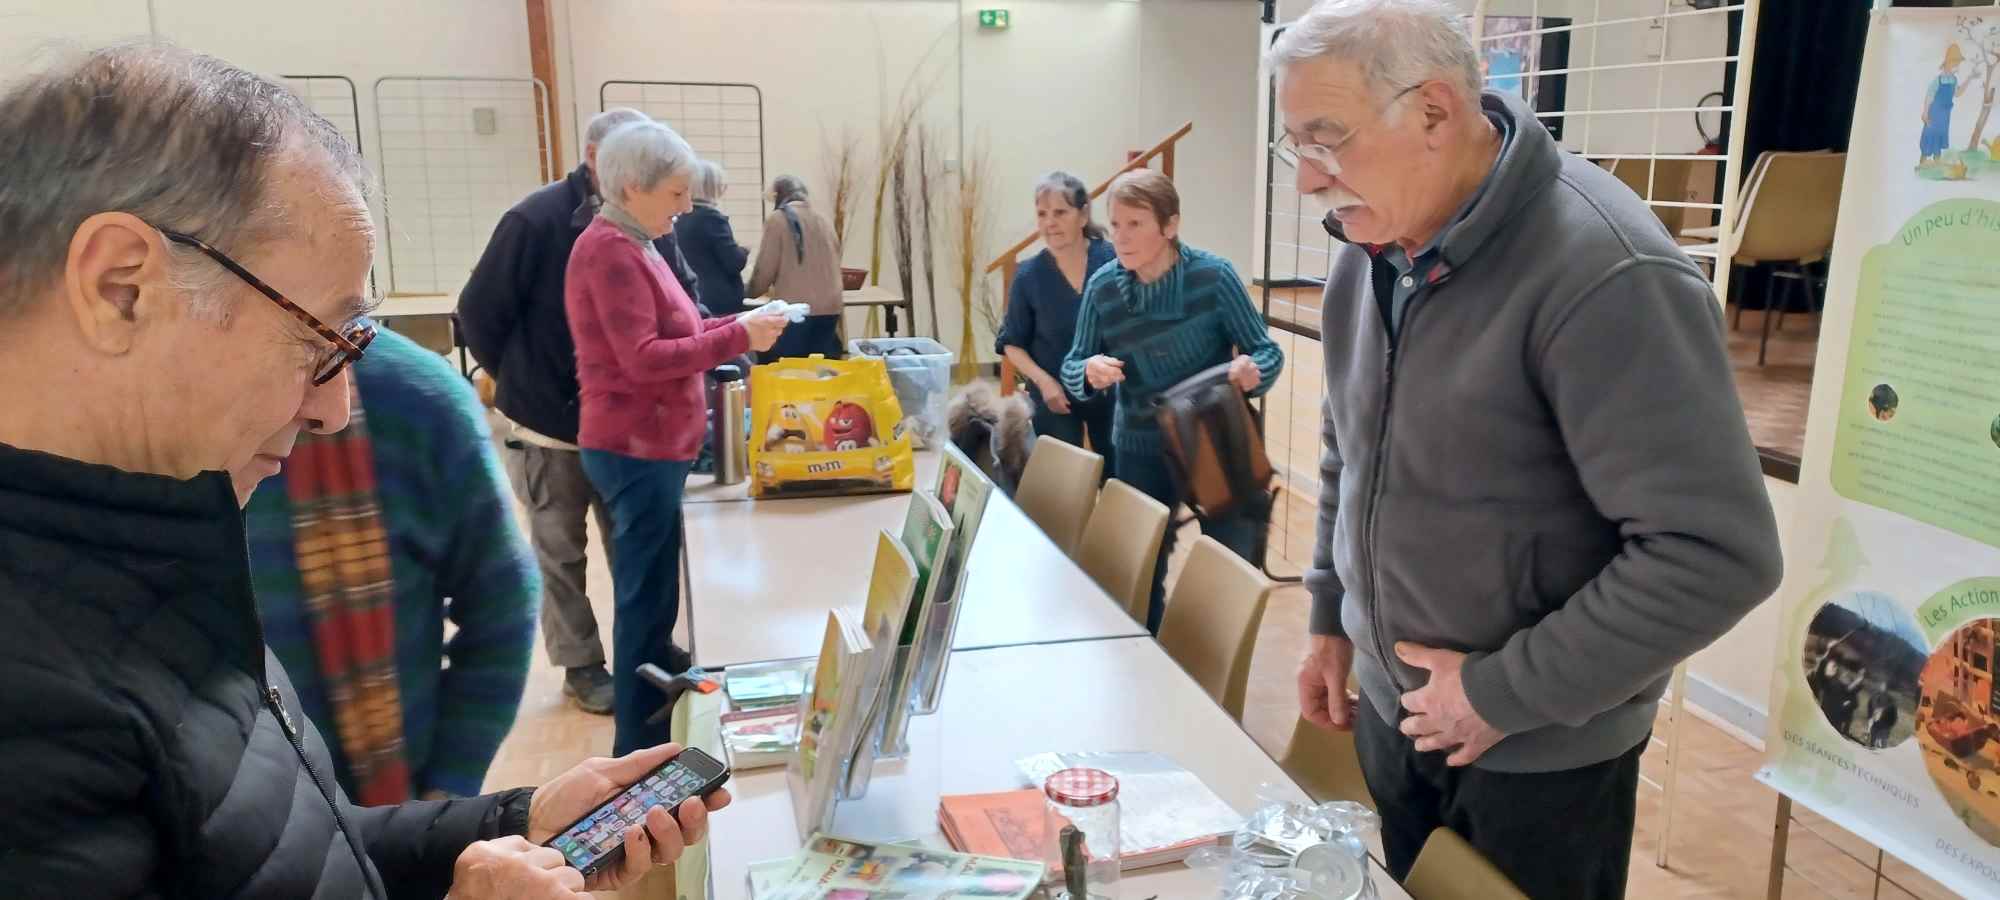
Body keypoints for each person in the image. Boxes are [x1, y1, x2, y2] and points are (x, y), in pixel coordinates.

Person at [0, 43, 726, 899]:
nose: (334, 408)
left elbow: (294, 852)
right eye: (320, 339)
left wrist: (515, 820)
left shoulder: (155, 547)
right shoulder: (33, 702)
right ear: (122, 285)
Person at [1273, 3, 1783, 897]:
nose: (1310, 180)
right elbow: (1347, 447)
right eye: (1296, 147)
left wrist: (1502, 692)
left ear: (1433, 112)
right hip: (1398, 719)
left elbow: (1717, 555)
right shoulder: (1372, 242)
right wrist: (1331, 617)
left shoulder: (1606, 273)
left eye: (1328, 140)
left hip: (1540, 754)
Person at [459, 107, 699, 717]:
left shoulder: (648, 223)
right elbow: (479, 312)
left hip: (627, 429)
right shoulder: (535, 219)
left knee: (636, 546)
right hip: (547, 425)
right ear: (596, 157)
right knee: (560, 550)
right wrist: (523, 380)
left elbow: (683, 296)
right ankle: (582, 665)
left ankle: (645, 649)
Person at [565, 119, 789, 756]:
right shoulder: (608, 249)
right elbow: (644, 357)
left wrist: (742, 321)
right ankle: (636, 747)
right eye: (676, 194)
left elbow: (681, 328)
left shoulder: (637, 242)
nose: (686, 208)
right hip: (635, 448)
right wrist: (740, 336)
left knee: (657, 597)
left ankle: (657, 716)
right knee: (643, 601)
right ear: (633, 187)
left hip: (655, 445)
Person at [245, 327, 538, 804]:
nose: (332, 412)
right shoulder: (111, 425)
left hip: (386, 811)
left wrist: (447, 791)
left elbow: (503, 602)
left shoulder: (417, 400)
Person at [1059, 169, 1284, 635]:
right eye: (1115, 224)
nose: (1121, 236)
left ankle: (1212, 686)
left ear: (1170, 224)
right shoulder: (1103, 287)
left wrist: (1251, 372)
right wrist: (1088, 370)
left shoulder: (1214, 277)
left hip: (1218, 442)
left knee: (1227, 575)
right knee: (1137, 578)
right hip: (1140, 444)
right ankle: (1145, 673)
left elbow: (1267, 351)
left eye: (1135, 223)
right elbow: (1072, 364)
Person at [996, 172, 1118, 472]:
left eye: (1060, 212)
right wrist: (1044, 382)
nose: (1050, 222)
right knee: (1065, 476)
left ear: (1083, 214)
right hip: (1054, 391)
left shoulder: (1113, 260)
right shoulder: (1028, 276)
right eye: (1042, 214)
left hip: (1110, 389)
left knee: (1119, 474)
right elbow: (1011, 342)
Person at [747, 174, 844, 360]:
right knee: (820, 370)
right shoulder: (823, 219)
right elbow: (835, 257)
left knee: (787, 369)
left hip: (795, 311)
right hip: (831, 308)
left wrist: (749, 292)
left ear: (778, 196)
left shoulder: (778, 219)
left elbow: (765, 269)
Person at [680, 159, 751, 315]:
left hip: (691, 296)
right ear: (713, 187)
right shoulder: (712, 218)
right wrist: (743, 250)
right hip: (718, 299)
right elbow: (734, 262)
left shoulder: (679, 217)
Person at [1920, 43, 1969, 166]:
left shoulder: (1954, 79)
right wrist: (1925, 113)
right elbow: (1929, 96)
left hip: (1945, 114)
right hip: (1935, 112)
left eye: (1958, 64)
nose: (1957, 67)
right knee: (1930, 135)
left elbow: (1957, 93)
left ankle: (1937, 161)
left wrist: (1969, 79)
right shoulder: (1938, 80)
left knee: (1940, 135)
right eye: (1955, 64)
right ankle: (1923, 161)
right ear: (1948, 63)